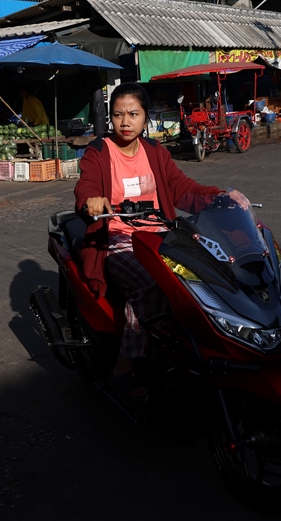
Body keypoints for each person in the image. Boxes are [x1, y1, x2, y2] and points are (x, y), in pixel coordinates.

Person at [74, 83, 247, 404]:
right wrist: (91, 201)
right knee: (153, 286)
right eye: (118, 115)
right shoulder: (99, 152)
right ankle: (125, 364)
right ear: (110, 118)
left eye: (133, 114)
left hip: (164, 236)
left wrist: (219, 196)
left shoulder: (155, 152)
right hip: (119, 240)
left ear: (146, 118)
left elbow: (183, 188)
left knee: (212, 276)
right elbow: (86, 186)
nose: (125, 121)